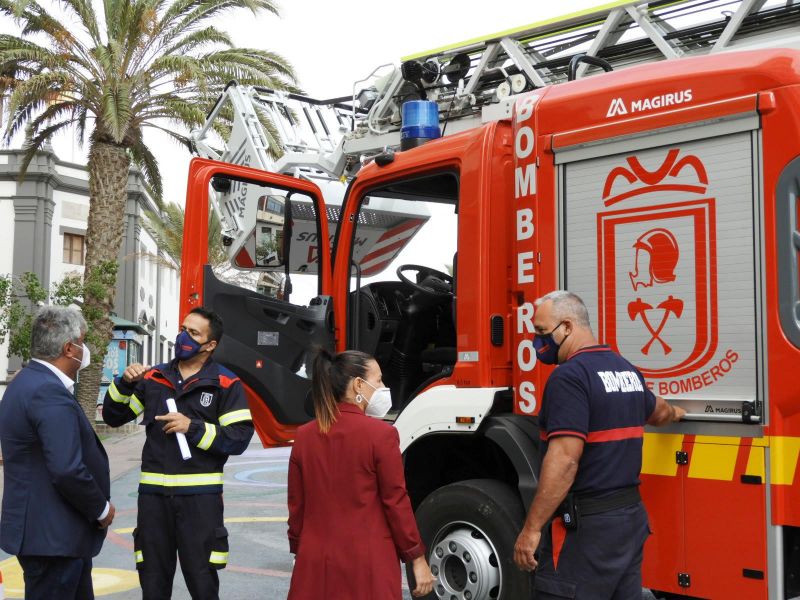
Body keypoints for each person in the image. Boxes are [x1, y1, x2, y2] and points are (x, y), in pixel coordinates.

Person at [513, 291, 686, 599]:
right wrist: (677, 413)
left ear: (566, 327)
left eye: (541, 332)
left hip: (587, 531)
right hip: (628, 521)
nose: (536, 342)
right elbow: (658, 410)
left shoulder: (569, 378)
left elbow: (565, 459)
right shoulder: (625, 370)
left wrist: (532, 528)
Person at [102, 307, 254, 600]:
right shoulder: (154, 378)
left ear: (210, 345)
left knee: (202, 583)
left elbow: (238, 439)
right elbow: (113, 417)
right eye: (184, 329)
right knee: (153, 584)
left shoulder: (226, 384)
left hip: (201, 503)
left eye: (194, 333)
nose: (184, 336)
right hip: (153, 502)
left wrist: (193, 428)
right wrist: (124, 384)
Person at [287, 349, 435, 599]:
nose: (383, 387)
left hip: (315, 560)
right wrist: (416, 557)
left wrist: (299, 549)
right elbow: (395, 502)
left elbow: (296, 507)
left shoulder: (304, 436)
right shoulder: (381, 435)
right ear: (358, 384)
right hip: (367, 561)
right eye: (378, 380)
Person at [0, 306, 113, 600]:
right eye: (83, 342)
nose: (85, 350)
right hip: (54, 539)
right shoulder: (47, 391)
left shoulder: (25, 382)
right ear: (69, 348)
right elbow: (66, 468)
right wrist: (101, 509)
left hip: (50, 537)